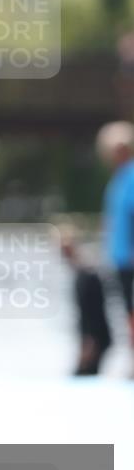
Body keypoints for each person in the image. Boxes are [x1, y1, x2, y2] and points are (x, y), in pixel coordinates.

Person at [96, 121, 134, 357]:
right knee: (127, 309)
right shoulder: (117, 178)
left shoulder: (131, 175)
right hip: (119, 257)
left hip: (130, 257)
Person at [59, 226, 112, 375]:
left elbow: (92, 312)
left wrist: (89, 342)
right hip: (93, 338)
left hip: (95, 340)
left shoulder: (87, 277)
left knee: (83, 375)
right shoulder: (83, 274)